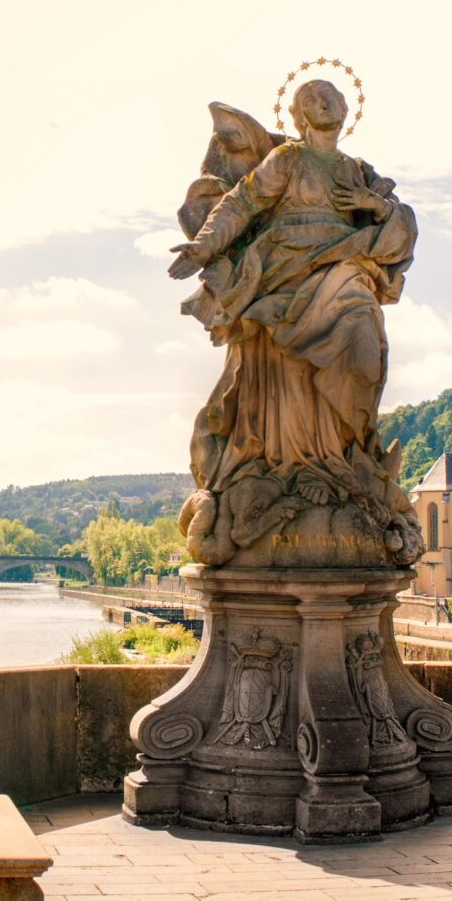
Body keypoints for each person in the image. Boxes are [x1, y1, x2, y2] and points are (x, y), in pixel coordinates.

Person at [167, 80, 424, 566]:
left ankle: (342, 457)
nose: (324, 100)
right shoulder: (287, 161)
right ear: (298, 113)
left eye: (331, 95)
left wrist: (378, 208)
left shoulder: (359, 172)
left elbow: (401, 227)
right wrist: (204, 246)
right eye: (312, 95)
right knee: (287, 368)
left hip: (347, 268)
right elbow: (241, 204)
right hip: (285, 268)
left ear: (347, 109)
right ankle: (301, 466)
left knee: (365, 354)